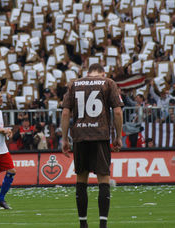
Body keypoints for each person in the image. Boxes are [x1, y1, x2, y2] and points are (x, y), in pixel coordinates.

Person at [61, 63, 123, 228]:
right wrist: (118, 136)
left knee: (81, 179)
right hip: (100, 135)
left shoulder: (74, 84)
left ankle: (83, 224)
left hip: (79, 137)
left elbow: (65, 112)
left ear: (87, 73)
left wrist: (65, 139)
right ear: (103, 72)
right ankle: (103, 224)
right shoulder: (108, 83)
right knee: (103, 178)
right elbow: (117, 111)